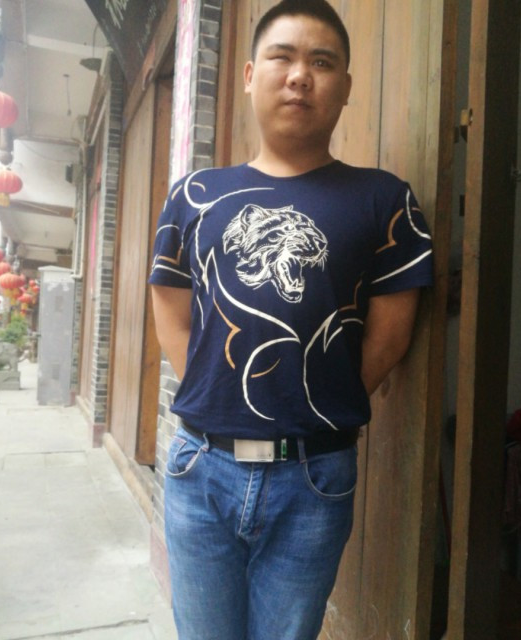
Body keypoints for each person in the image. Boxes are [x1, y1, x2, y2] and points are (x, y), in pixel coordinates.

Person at [149, 1, 433, 638]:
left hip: (315, 476)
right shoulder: (194, 196)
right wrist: (215, 392)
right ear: (250, 75)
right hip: (200, 469)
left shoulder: (385, 201)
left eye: (322, 62)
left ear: (346, 87)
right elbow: (170, 302)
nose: (300, 75)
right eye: (282, 57)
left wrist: (316, 400)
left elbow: (390, 335)